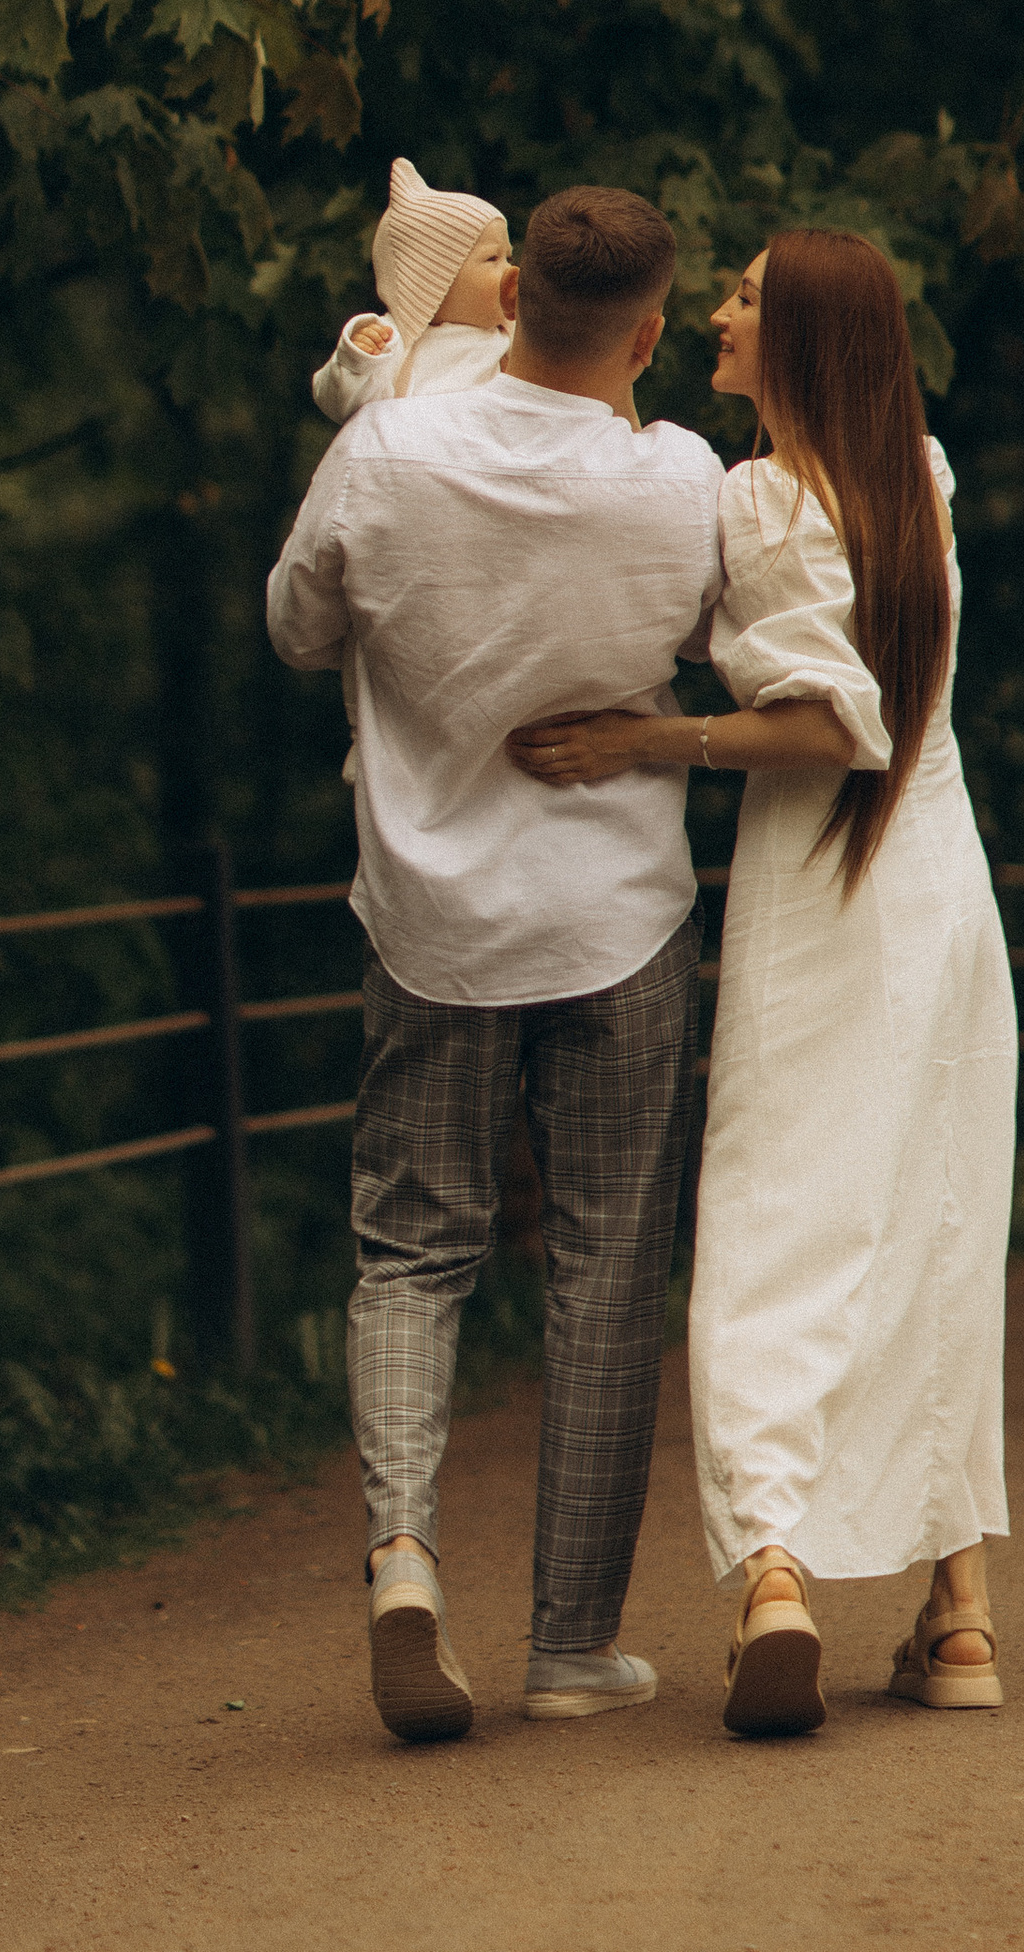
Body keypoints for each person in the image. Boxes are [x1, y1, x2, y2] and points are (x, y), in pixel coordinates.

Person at [508, 229, 1015, 1739]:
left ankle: (776, 1572)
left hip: (827, 891)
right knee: (931, 1224)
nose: (718, 317)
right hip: (941, 891)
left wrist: (642, 741)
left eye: (743, 298)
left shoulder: (763, 503)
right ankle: (960, 1614)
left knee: (770, 1227)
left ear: (797, 340)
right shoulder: (915, 478)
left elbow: (829, 728)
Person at [265, 183, 720, 1745]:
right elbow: (721, 641)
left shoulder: (386, 448)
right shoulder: (683, 476)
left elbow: (296, 629)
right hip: (620, 920)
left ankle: (403, 1558)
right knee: (606, 1270)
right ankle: (571, 1650)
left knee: (410, 1254)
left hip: (433, 922)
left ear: (513, 295)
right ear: (649, 336)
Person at [310, 157, 512, 422]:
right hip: (418, 445)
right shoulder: (393, 340)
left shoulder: (513, 336)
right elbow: (338, 404)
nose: (512, 270)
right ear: (433, 278)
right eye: (493, 258)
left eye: (509, 257)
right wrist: (358, 362)